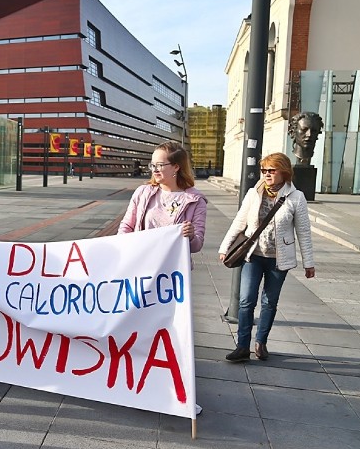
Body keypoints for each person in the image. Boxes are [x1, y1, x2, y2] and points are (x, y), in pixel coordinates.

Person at [118, 141, 207, 416]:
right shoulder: (144, 193)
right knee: (136, 329)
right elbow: (128, 225)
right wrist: (121, 252)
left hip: (171, 281)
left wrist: (190, 235)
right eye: (153, 165)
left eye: (160, 165)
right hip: (140, 273)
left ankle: (179, 393)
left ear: (176, 167)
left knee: (171, 334)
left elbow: (198, 244)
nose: (155, 169)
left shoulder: (195, 200)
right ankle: (134, 384)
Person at [219, 152, 315, 363]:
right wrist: (225, 247)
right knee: (246, 301)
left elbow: (304, 232)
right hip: (253, 255)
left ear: (284, 172)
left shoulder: (296, 197)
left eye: (271, 170)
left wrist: (309, 263)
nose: (266, 174)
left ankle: (261, 343)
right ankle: (242, 346)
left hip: (278, 260)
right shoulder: (254, 193)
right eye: (264, 170)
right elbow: (239, 222)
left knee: (269, 302)